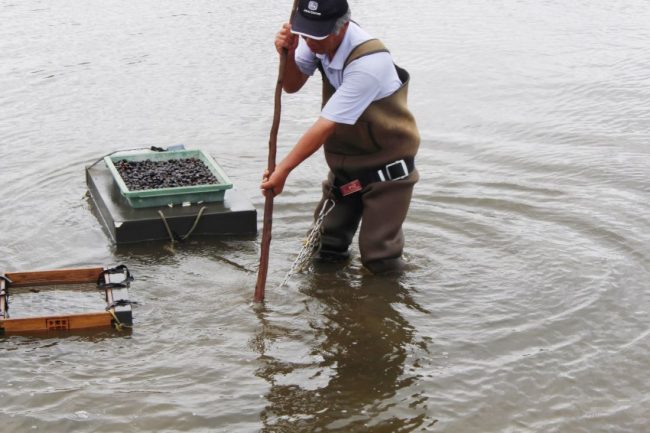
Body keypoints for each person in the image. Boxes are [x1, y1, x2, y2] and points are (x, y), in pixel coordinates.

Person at [262, 0, 420, 274]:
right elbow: (291, 85)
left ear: (343, 27)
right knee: (325, 245)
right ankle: (328, 302)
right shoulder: (315, 41)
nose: (310, 42)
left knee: (379, 257)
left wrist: (282, 170)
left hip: (387, 170)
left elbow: (325, 126)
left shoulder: (369, 62)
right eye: (306, 34)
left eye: (318, 36)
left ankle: (383, 306)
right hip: (347, 167)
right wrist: (285, 53)